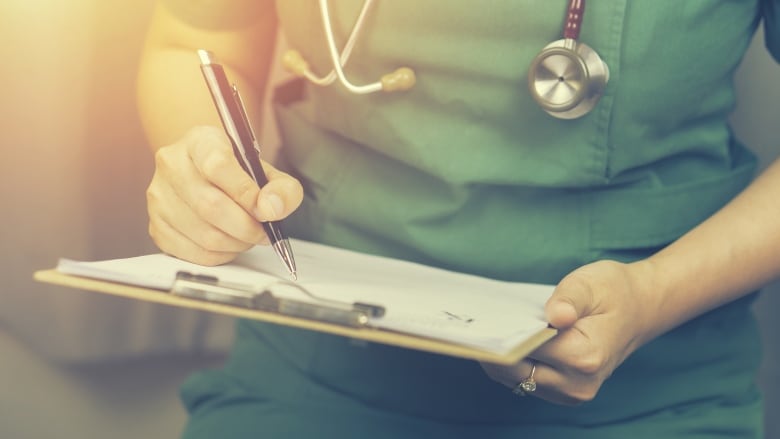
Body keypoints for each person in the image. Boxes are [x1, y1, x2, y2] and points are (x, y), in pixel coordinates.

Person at [136, 0, 780, 437]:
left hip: (648, 389)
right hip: (316, 359)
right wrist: (207, 171)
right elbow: (196, 38)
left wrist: (654, 295)